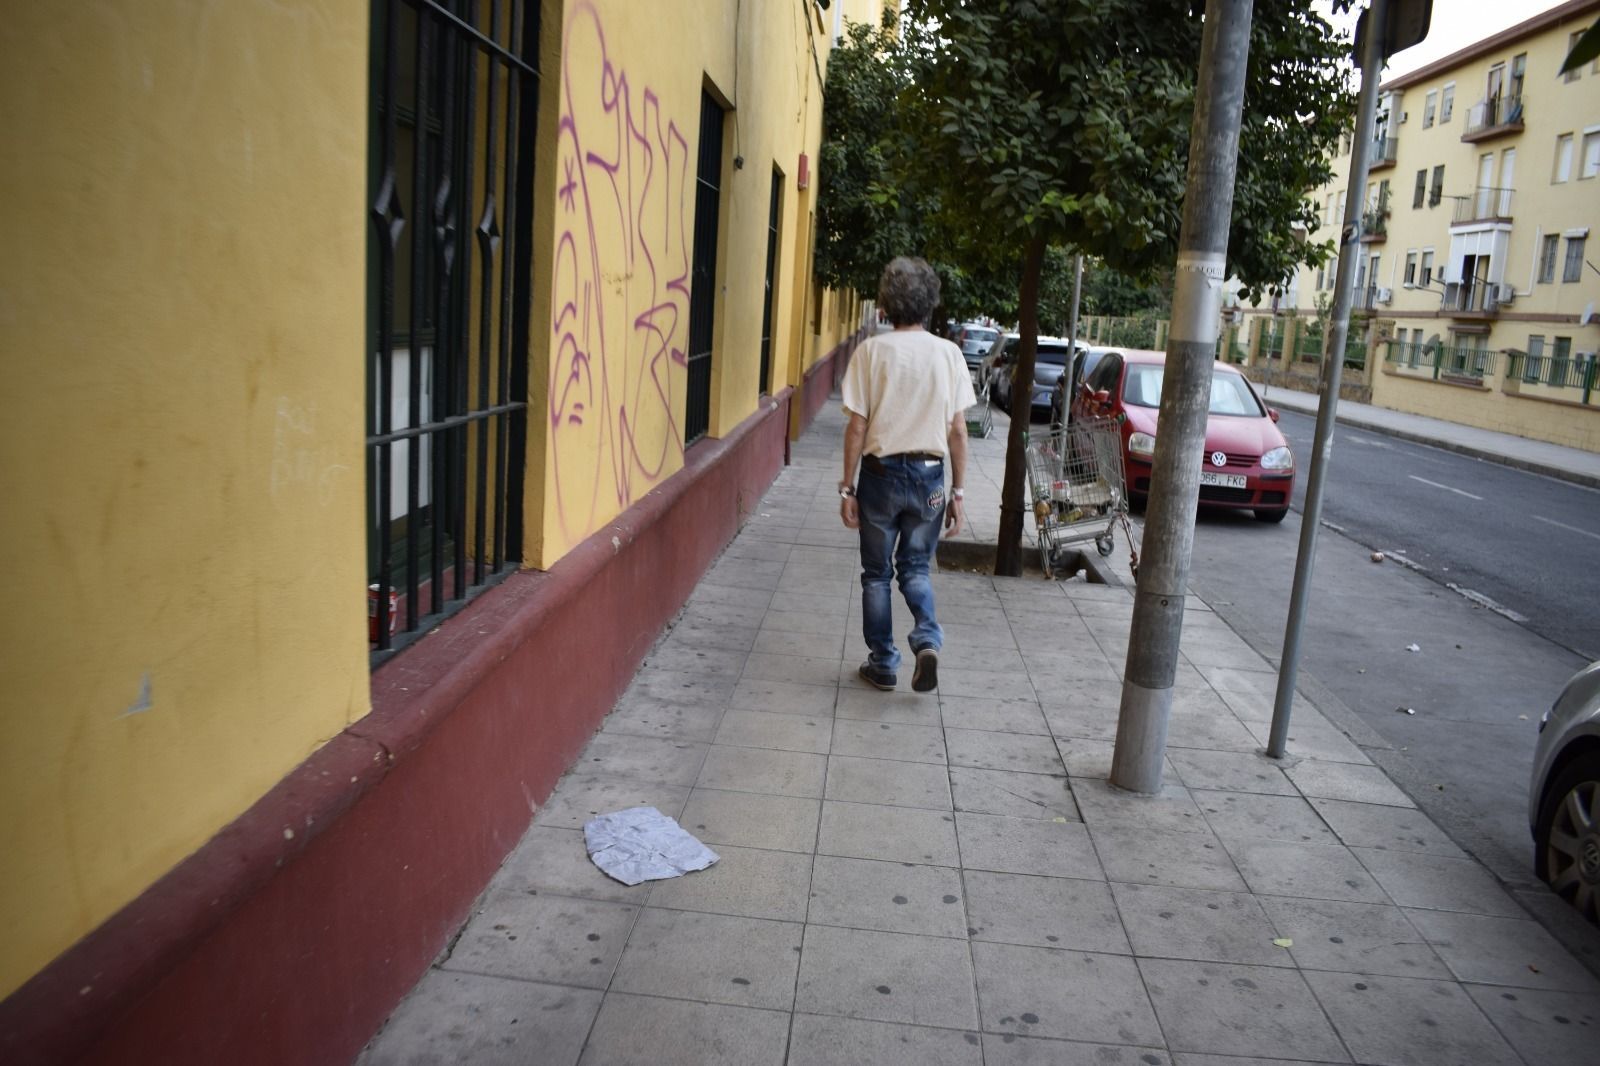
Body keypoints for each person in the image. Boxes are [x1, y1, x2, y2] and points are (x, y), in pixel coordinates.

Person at [839, 257, 977, 693]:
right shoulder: (949, 354)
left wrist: (847, 487)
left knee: (876, 573)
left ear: (886, 303)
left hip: (880, 476)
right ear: (929, 303)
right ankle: (927, 639)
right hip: (930, 477)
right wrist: (958, 491)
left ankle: (883, 663)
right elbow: (958, 429)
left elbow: (857, 426)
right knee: (915, 567)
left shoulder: (871, 352)